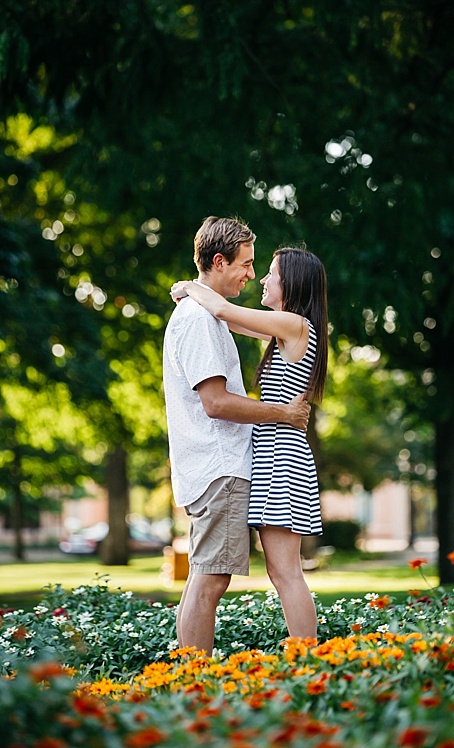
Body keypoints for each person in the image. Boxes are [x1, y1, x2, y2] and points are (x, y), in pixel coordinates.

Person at [163, 216, 311, 656]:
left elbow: (232, 315)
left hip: (253, 462)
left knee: (224, 576)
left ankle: (194, 678)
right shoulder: (201, 319)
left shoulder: (282, 324)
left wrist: (192, 288)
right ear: (220, 261)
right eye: (247, 265)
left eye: (265, 271)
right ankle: (194, 681)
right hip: (221, 465)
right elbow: (217, 402)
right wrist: (281, 414)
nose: (254, 275)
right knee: (212, 578)